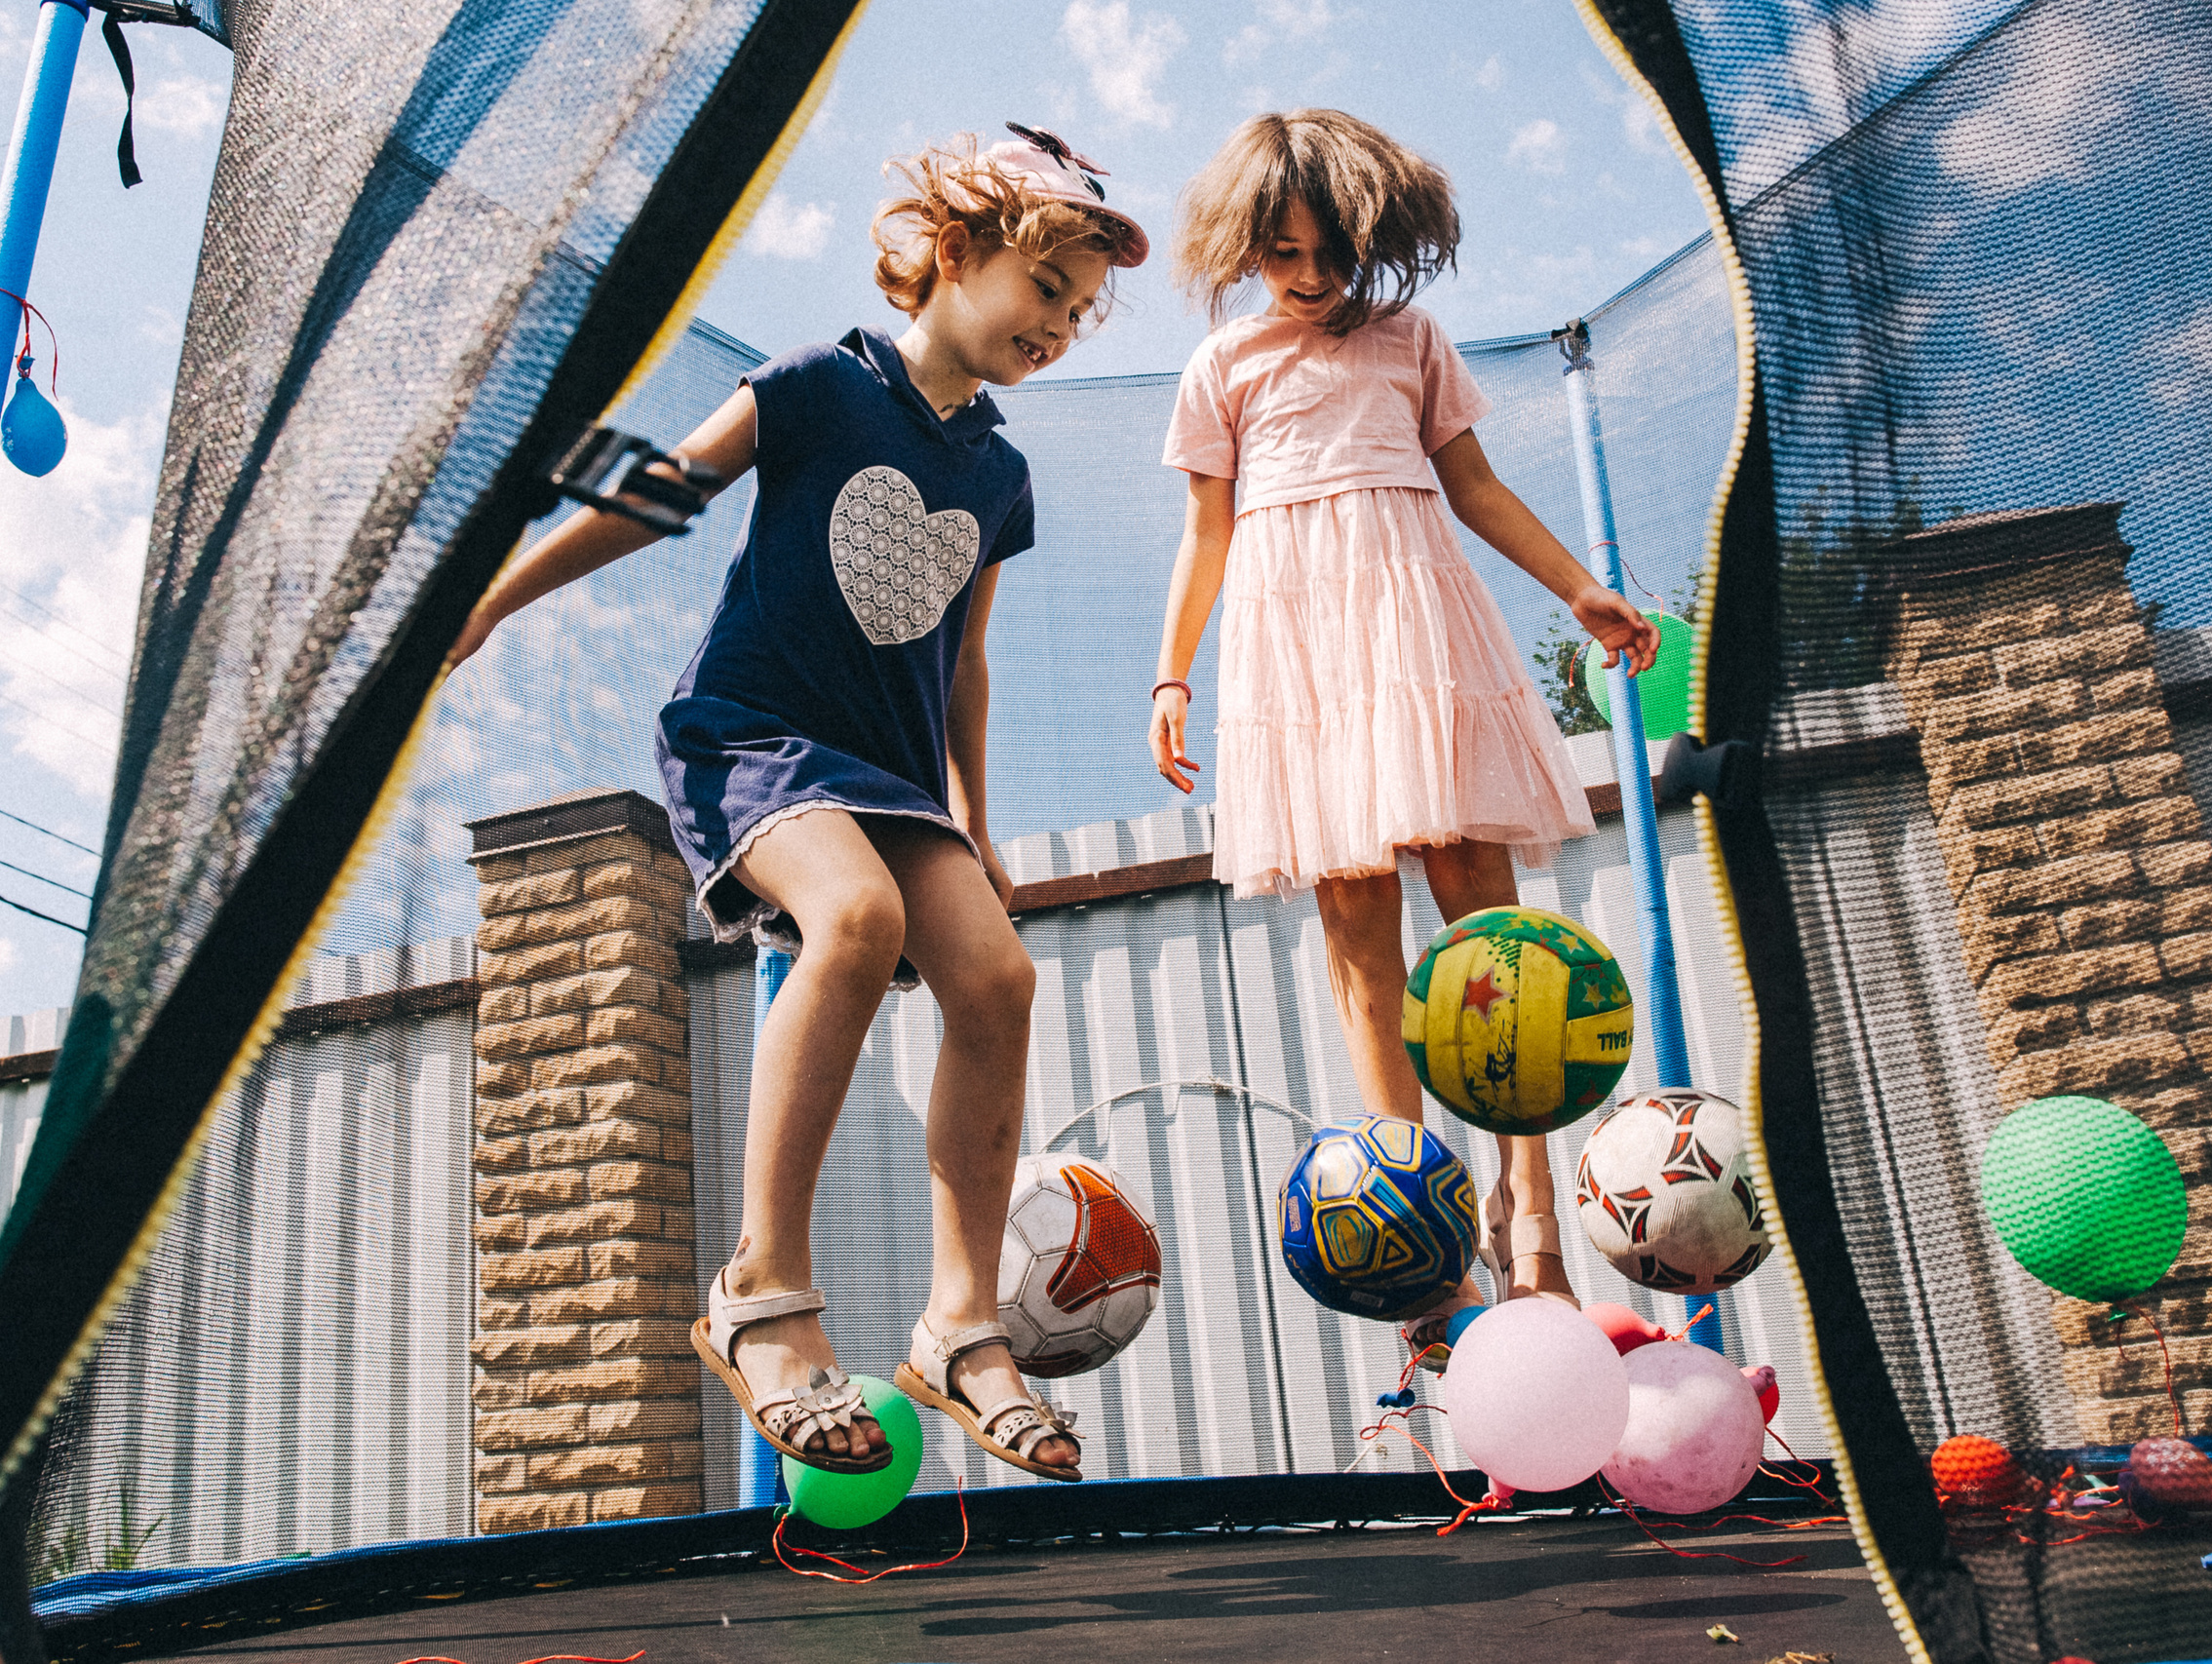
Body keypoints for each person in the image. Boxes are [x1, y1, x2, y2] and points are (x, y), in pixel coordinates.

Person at [448, 127, 1147, 1479]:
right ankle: (761, 1289)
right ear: (954, 254)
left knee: (997, 981)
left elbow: (967, 661)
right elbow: (661, 494)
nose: (1058, 325)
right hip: (752, 735)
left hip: (892, 777)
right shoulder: (818, 385)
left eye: (1077, 310)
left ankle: (957, 1321)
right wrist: (495, 594)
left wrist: (978, 823)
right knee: (854, 919)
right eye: (1042, 288)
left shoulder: (999, 478)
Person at [1147, 109, 1659, 1369]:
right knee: (1359, 936)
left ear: (1373, 243)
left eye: (1330, 253)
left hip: (1413, 618)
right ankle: (1416, 1225)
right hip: (1301, 649)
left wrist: (1577, 587)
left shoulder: (1408, 340)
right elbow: (1209, 532)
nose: (1312, 277)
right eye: (1283, 254)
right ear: (1246, 247)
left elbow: (1473, 487)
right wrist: (1171, 678)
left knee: (1487, 924)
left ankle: (1527, 1212)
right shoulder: (1224, 367)